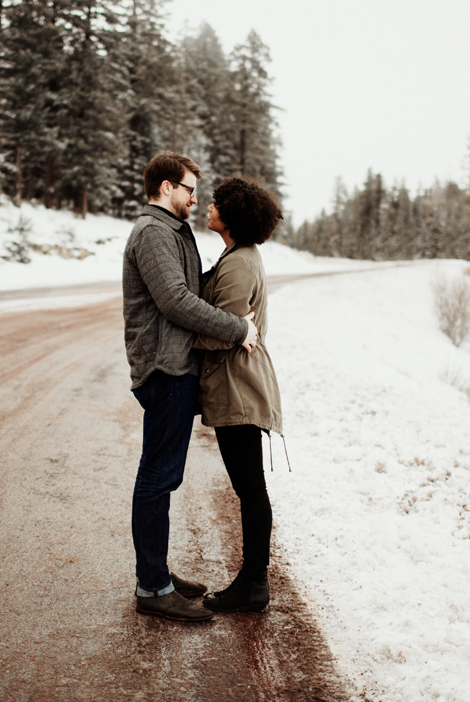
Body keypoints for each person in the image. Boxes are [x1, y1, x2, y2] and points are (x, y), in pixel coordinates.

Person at [122, 152, 260, 622]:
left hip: (177, 367)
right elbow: (176, 301)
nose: (195, 198)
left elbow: (189, 288)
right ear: (165, 188)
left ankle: (155, 570)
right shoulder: (155, 232)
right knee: (158, 477)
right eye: (188, 188)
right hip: (165, 368)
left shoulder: (171, 231)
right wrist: (236, 329)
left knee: (164, 476)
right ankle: (152, 586)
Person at [193, 176, 285, 614]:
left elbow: (223, 332)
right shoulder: (237, 255)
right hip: (237, 385)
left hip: (240, 388)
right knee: (249, 487)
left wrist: (188, 334)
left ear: (233, 214)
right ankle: (254, 581)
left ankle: (254, 583)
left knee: (250, 488)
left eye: (215, 203)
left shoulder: (240, 263)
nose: (208, 207)